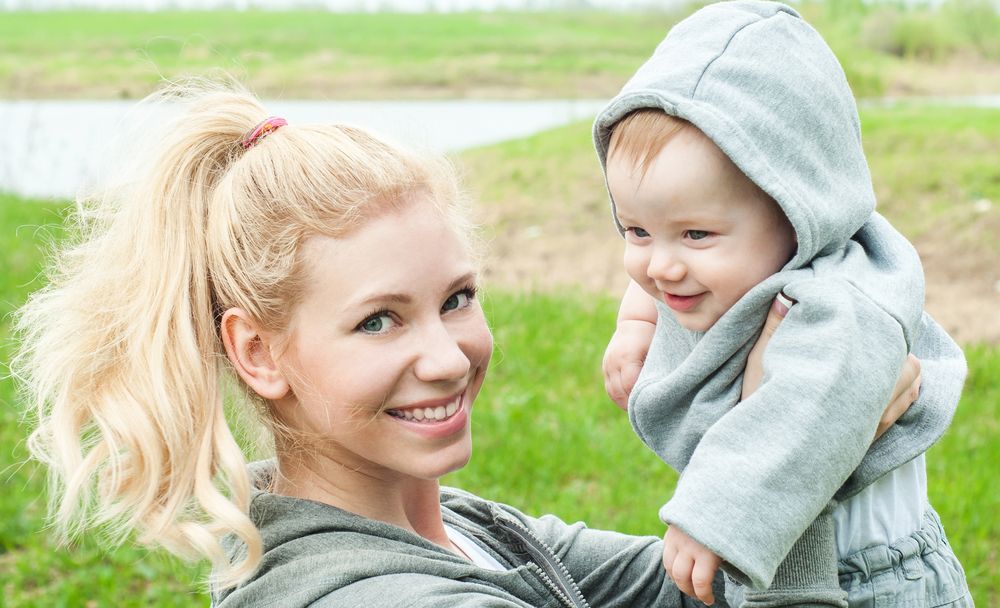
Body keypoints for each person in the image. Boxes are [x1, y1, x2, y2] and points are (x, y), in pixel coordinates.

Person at [14, 79, 919, 608]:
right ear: (257, 353)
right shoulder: (377, 595)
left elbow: (699, 584)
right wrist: (793, 448)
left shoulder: (470, 529)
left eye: (456, 299)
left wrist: (793, 401)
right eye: (379, 320)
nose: (447, 356)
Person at [595, 0, 972, 606]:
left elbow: (807, 405)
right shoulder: (717, 266)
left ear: (796, 211)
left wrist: (714, 511)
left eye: (695, 234)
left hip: (874, 578)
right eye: (635, 231)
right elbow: (657, 275)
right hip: (770, 554)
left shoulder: (836, 306)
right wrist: (637, 320)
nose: (659, 265)